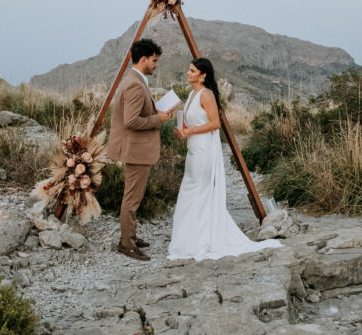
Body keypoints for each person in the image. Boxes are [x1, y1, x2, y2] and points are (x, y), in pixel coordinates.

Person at [168, 57, 282, 261]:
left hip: (204, 151)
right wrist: (183, 131)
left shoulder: (206, 95)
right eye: (189, 69)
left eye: (192, 70)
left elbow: (215, 124)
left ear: (203, 76)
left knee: (200, 193)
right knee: (190, 191)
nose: (188, 73)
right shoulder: (192, 94)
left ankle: (202, 239)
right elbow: (195, 121)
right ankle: (190, 237)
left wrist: (191, 130)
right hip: (193, 149)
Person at [107, 38, 172, 261]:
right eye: (154, 60)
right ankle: (127, 244)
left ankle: (130, 237)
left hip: (136, 149)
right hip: (135, 150)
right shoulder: (135, 84)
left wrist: (157, 114)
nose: (156, 64)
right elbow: (131, 121)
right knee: (132, 199)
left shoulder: (135, 80)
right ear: (143, 59)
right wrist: (158, 119)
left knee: (133, 196)